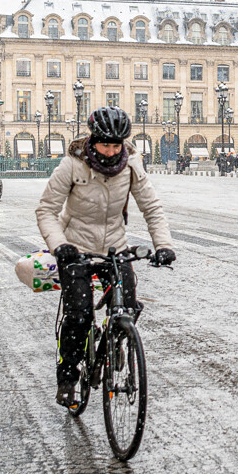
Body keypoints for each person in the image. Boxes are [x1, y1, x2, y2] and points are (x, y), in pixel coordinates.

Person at [36, 106, 177, 409]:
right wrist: (60, 246)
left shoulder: (131, 164)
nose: (112, 151)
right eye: (105, 144)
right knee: (79, 313)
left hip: (115, 246)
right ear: (93, 140)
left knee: (129, 303)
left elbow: (152, 207)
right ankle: (68, 378)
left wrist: (163, 245)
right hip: (76, 248)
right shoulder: (72, 165)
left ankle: (118, 337)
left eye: (117, 144)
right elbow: (46, 211)